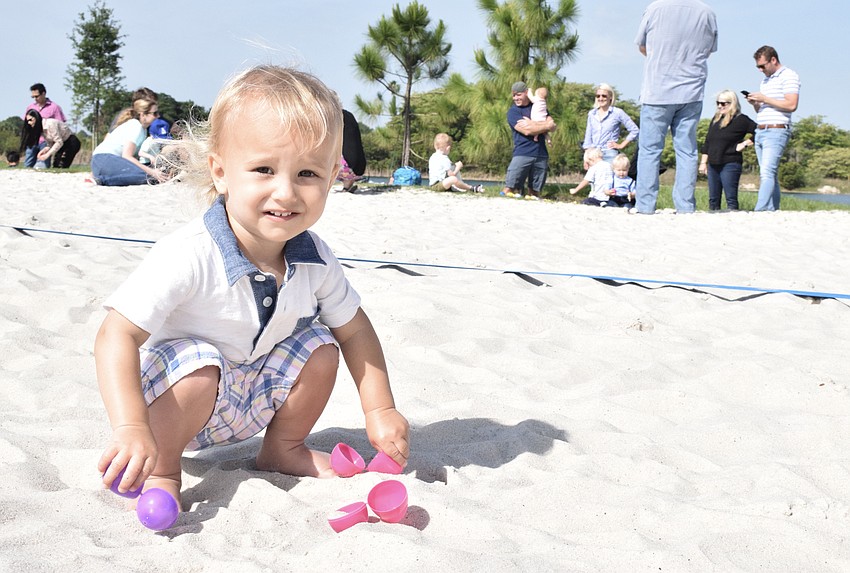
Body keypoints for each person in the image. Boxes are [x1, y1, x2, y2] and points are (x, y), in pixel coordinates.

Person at [95, 65, 410, 509]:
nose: (286, 193)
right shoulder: (189, 253)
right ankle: (164, 471)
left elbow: (355, 330)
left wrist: (379, 409)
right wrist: (130, 427)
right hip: (176, 403)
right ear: (221, 172)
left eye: (308, 174)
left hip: (251, 395)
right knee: (200, 364)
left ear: (331, 178)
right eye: (264, 169)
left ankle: (282, 448)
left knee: (321, 346)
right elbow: (116, 334)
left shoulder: (316, 258)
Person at [634, 0, 717, 214]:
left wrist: (663, 56)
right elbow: (708, 51)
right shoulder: (707, 12)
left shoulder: (655, 8)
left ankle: (645, 206)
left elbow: (642, 46)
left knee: (650, 150)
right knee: (687, 151)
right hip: (691, 90)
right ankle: (685, 206)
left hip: (657, 89)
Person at [744, 46, 800, 212]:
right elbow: (763, 109)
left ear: (773, 60)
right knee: (769, 173)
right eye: (758, 67)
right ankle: (772, 210)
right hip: (761, 129)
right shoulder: (766, 81)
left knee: (767, 172)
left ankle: (760, 209)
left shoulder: (789, 76)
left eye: (762, 66)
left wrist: (765, 98)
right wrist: (756, 103)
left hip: (777, 130)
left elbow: (791, 105)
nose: (760, 70)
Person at [699, 90, 757, 211]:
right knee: (713, 199)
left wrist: (745, 144)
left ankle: (733, 218)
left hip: (730, 163)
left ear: (732, 103)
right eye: (718, 103)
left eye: (723, 103)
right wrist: (703, 162)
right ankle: (713, 218)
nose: (720, 106)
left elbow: (760, 132)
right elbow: (708, 141)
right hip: (713, 164)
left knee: (731, 198)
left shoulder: (741, 119)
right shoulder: (716, 119)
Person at [91, 98, 169, 186]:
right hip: (105, 159)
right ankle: (101, 180)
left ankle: (99, 177)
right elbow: (127, 156)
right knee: (149, 177)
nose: (158, 116)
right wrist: (152, 172)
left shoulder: (142, 130)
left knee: (149, 175)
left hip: (101, 161)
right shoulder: (136, 127)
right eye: (155, 113)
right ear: (143, 114)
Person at [501, 81, 556, 200]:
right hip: (522, 153)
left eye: (518, 95)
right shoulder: (513, 112)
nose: (515, 98)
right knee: (510, 188)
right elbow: (527, 131)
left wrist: (532, 123)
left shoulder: (538, 105)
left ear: (526, 93)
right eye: (514, 95)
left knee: (535, 192)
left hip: (541, 154)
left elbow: (553, 126)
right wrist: (544, 126)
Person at [582, 83, 639, 163]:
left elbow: (635, 130)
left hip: (609, 153)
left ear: (610, 97)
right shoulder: (592, 114)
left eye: (604, 96)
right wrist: (586, 156)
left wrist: (621, 145)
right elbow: (588, 137)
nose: (601, 98)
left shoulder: (617, 113)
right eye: (598, 96)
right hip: (594, 154)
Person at [23, 83, 66, 168]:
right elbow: (26, 123)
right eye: (33, 97)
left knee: (42, 165)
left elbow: (60, 124)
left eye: (37, 96)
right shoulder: (30, 107)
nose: (35, 99)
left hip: (46, 141)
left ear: (43, 93)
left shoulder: (54, 107)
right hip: (32, 140)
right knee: (28, 164)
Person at [337, 109, 366, 192]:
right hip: (352, 164)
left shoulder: (343, 116)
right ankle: (347, 185)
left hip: (346, 163)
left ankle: (347, 185)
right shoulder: (347, 116)